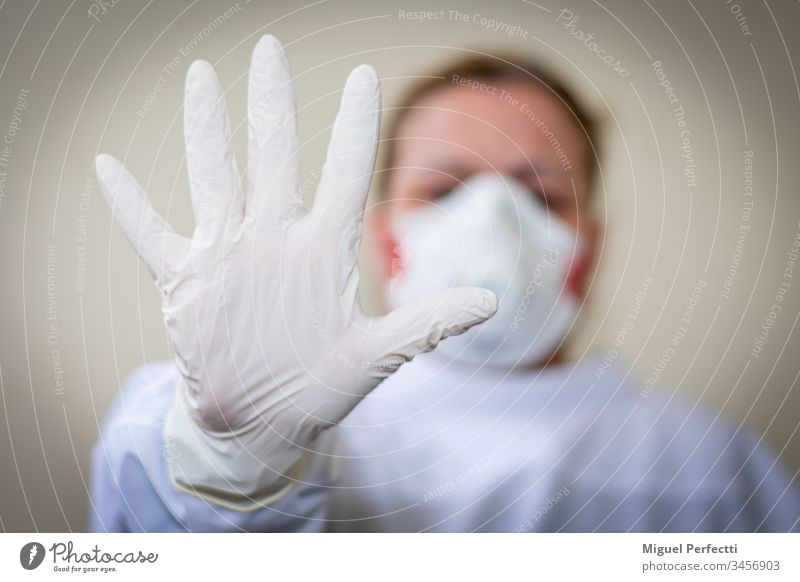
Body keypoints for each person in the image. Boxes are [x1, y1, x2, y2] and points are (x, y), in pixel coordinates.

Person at [89, 36, 800, 532]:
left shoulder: (712, 463)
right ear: (384, 237)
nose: (493, 219)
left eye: (542, 197)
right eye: (444, 189)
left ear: (590, 250)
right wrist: (235, 458)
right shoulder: (301, 429)